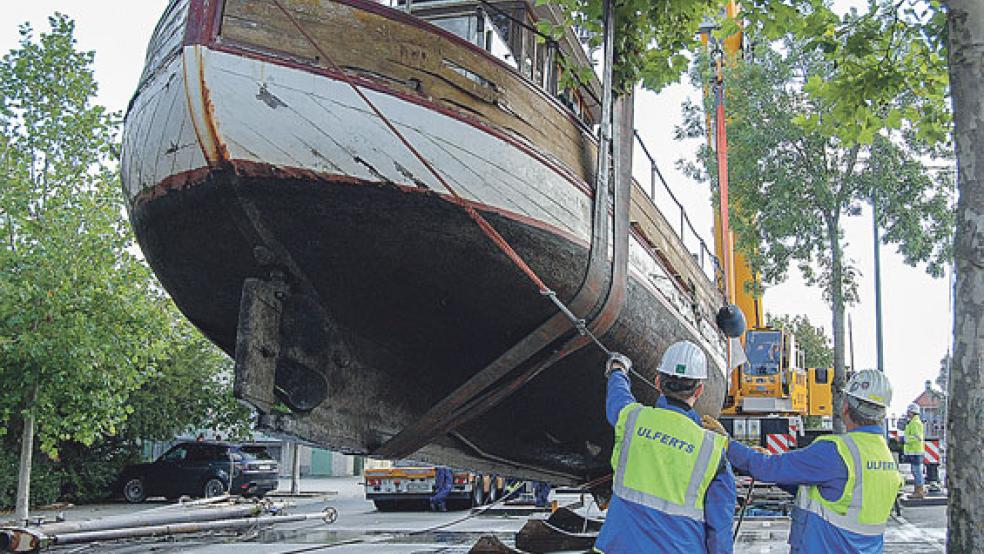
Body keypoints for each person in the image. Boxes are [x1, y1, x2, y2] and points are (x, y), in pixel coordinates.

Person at [704, 369, 903, 553]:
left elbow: (766, 469)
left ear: (845, 406)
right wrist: (778, 467)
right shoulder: (886, 458)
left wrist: (727, 443)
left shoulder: (834, 451)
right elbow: (831, 496)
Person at [594, 341, 736, 554]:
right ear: (699, 390)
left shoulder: (632, 419)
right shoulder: (713, 451)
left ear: (658, 382)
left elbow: (618, 398)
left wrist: (618, 370)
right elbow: (720, 529)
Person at [903, 403, 926, 499]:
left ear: (912, 412)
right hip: (914, 451)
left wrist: (904, 439)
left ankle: (919, 491)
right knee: (915, 471)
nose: (907, 413)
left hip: (916, 451)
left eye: (908, 411)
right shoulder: (913, 422)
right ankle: (918, 490)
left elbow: (917, 438)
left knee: (916, 472)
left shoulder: (915, 423)